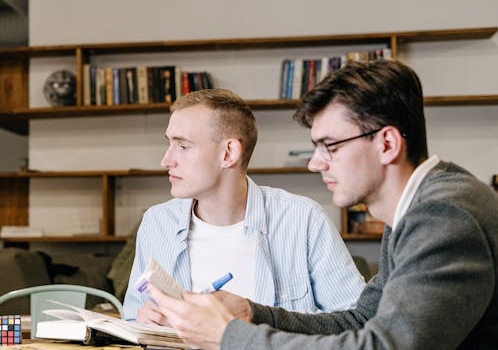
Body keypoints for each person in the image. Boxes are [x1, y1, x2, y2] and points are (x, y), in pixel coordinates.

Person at [146, 60, 498, 350]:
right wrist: (253, 314)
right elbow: (360, 320)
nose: (315, 163)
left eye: (330, 146)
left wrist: (227, 337)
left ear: (387, 143)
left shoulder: (443, 215)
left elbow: (384, 348)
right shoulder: (415, 208)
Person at [122, 88, 366, 322]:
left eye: (183, 146)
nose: (166, 160)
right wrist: (143, 321)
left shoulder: (303, 219)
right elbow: (132, 318)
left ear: (228, 153)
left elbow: (357, 320)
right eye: (169, 144)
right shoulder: (156, 223)